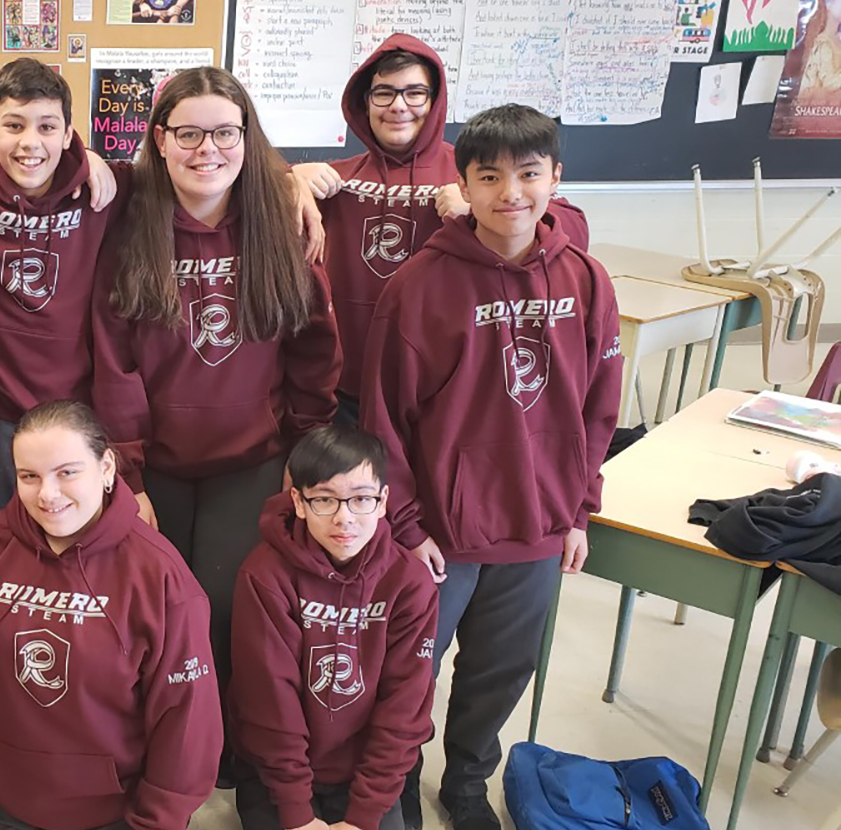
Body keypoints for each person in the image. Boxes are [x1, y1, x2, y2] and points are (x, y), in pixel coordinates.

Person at [359, 104, 619, 830]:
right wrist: (407, 526)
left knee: (500, 673)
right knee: (409, 671)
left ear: (556, 179)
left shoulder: (589, 282)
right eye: (490, 176)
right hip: (441, 534)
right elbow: (385, 417)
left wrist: (578, 510)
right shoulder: (418, 285)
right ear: (463, 185)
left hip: (535, 529)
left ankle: (468, 782)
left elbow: (601, 407)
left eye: (529, 174)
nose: (511, 192)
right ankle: (400, 780)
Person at [86, 66, 339, 692]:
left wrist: (307, 449)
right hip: (157, 464)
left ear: (248, 139)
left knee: (228, 606)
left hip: (252, 457)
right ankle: (167, 735)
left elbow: (313, 350)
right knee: (161, 605)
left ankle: (227, 743)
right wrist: (129, 472)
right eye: (190, 134)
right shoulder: (125, 230)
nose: (208, 151)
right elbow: (114, 363)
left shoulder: (282, 226)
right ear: (160, 139)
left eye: (226, 133)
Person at [289, 36, 595, 427]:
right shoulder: (334, 179)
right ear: (364, 103)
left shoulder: (476, 175)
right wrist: (288, 181)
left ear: (435, 101)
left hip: (445, 385)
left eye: (415, 93)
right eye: (383, 93)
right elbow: (246, 202)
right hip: (347, 387)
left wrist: (482, 209)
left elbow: (573, 230)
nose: (399, 106)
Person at [0, 400, 220, 830]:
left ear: (107, 467)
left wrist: (156, 821)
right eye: (29, 476)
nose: (48, 495)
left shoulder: (158, 574)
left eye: (67, 472)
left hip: (113, 814)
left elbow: (187, 721)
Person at [0, 58, 121, 539]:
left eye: (47, 127)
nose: (30, 142)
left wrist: (292, 180)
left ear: (68, 133)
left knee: (73, 548)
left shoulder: (104, 190)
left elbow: (202, 179)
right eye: (14, 125)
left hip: (76, 412)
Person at [227, 426, 437, 830]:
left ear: (383, 502)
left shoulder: (410, 581)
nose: (345, 518)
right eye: (324, 499)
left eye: (361, 499)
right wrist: (297, 813)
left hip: (362, 774)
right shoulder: (264, 574)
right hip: (276, 775)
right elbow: (268, 701)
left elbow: (404, 707)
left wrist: (363, 815)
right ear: (299, 502)